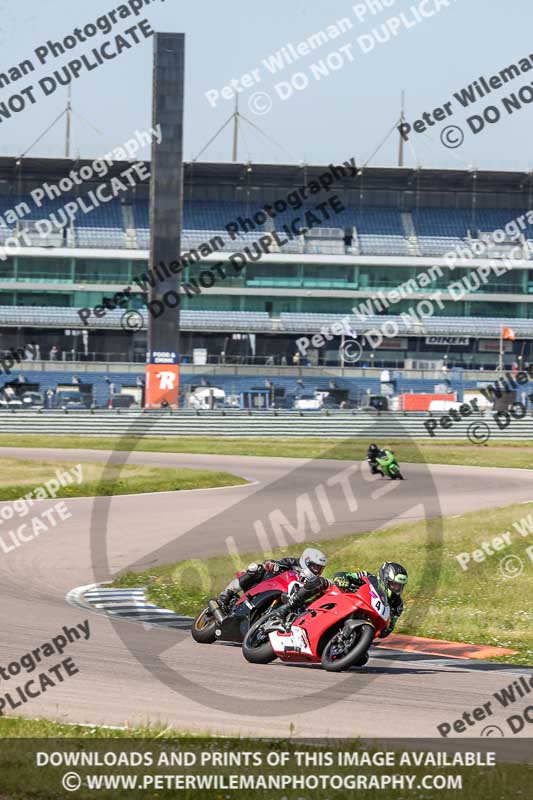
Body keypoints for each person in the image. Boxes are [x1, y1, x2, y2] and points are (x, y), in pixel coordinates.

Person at [273, 561, 409, 647]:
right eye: (394, 584)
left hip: (363, 623)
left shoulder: (397, 605)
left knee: (361, 660)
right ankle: (287, 607)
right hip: (344, 598)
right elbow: (344, 575)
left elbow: (388, 629)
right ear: (384, 580)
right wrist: (343, 579)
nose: (396, 589)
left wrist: (386, 627)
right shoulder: (369, 577)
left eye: (399, 586)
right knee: (321, 582)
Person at [216, 547, 328, 612]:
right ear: (306, 560)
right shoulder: (292, 562)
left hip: (284, 597)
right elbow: (271, 563)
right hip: (267, 585)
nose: (317, 571)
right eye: (315, 566)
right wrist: (272, 564)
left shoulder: (313, 582)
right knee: (257, 569)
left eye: (320, 568)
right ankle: (226, 593)